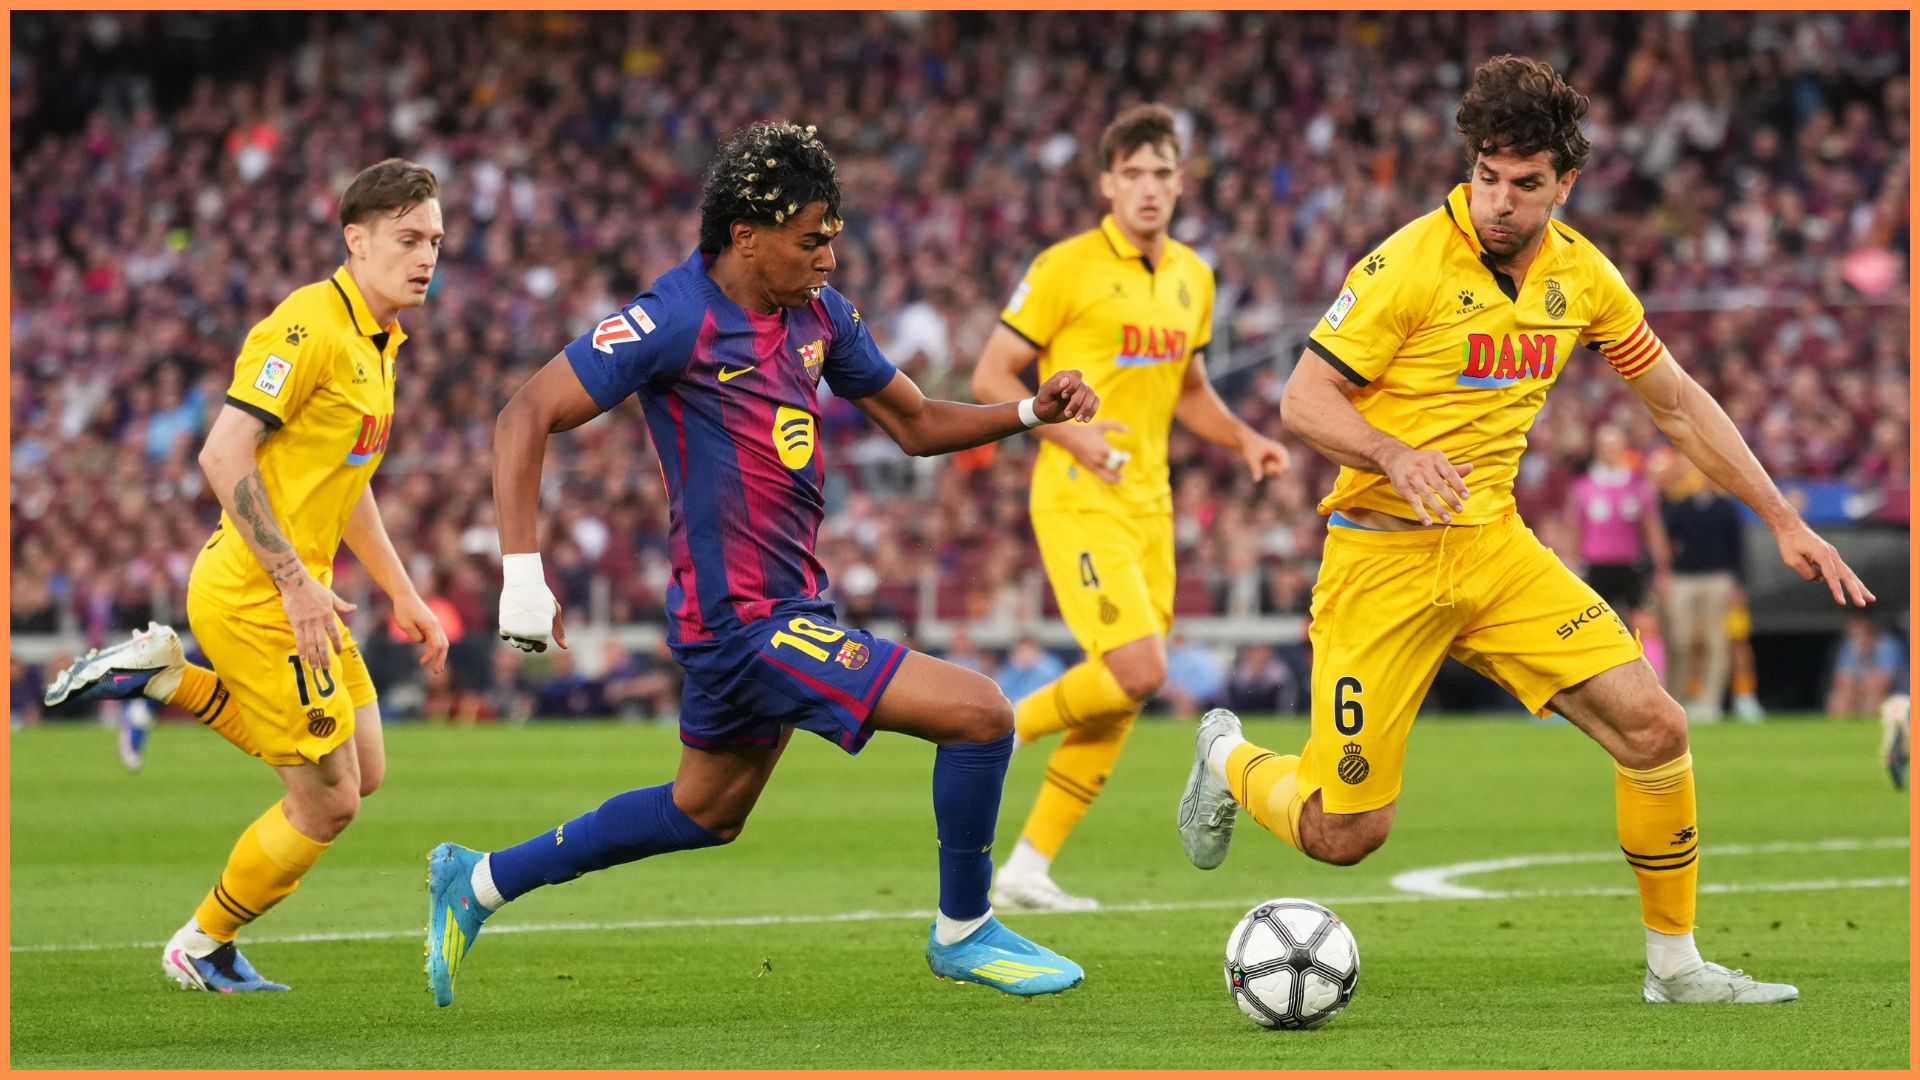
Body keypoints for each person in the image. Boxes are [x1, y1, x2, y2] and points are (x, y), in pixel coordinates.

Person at [1176, 56, 1873, 1006]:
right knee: (1346, 834)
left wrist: (1783, 517)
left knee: (1656, 725)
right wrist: (1390, 451)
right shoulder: (1406, 264)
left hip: (1495, 550)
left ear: (1565, 184)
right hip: (1383, 560)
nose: (1500, 201)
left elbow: (1673, 402)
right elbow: (1304, 396)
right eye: (1487, 177)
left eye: (1525, 184)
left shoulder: (1580, 276)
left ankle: (1676, 967)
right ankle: (1226, 755)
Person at [423, 122, 1099, 1007]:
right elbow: (525, 412)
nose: (827, 256)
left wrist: (1027, 412)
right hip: (742, 624)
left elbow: (918, 423)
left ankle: (477, 882)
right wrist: (523, 572)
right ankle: (965, 931)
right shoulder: (673, 319)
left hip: (779, 612)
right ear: (748, 235)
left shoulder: (821, 316)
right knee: (979, 714)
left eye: (833, 237)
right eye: (811, 238)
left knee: (703, 813)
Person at [40, 159, 451, 991]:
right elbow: (221, 452)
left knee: (365, 771)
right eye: (407, 239)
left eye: (435, 241)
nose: (426, 257)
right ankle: (200, 944)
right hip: (260, 597)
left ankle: (169, 681)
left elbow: (350, 480)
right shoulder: (308, 326)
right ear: (356, 240)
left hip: (300, 591)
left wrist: (402, 591)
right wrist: (297, 582)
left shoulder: (380, 341)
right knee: (328, 804)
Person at [969, 104, 1290, 911]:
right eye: (1135, 174)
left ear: (1180, 184)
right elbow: (990, 376)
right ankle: (994, 727)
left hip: (1152, 505)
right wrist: (1069, 439)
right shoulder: (1064, 266)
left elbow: (1190, 392)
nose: (1150, 189)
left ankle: (1028, 867)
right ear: (1108, 183)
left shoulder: (1193, 276)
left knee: (1128, 683)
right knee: (1138, 668)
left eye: (1163, 174)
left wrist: (1245, 440)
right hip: (1080, 496)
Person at [1567, 424, 1671, 680]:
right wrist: (1570, 565)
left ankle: (1654, 687)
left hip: (1631, 565)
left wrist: (1662, 569)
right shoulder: (1583, 488)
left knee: (1646, 626)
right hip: (1595, 565)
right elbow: (1572, 530)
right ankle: (1584, 689)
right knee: (1588, 631)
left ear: (1623, 449)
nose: (1610, 451)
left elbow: (1653, 530)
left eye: (1615, 446)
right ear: (1598, 450)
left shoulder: (1637, 486)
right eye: (1605, 446)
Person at [1650, 451, 1747, 722]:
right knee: (1679, 639)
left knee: (1716, 641)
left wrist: (1738, 583)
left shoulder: (1726, 507)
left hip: (1718, 578)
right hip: (1684, 578)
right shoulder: (1681, 506)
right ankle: (1676, 699)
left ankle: (1710, 702)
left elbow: (1737, 549)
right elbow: (1665, 537)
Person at [1826, 614, 1907, 719]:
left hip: (1897, 695)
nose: (1859, 638)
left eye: (1862, 632)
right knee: (1839, 701)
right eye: (1854, 634)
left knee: (1873, 701)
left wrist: (1857, 690)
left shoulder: (1889, 646)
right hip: (1862, 690)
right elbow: (1842, 681)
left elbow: (1882, 684)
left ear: (1871, 630)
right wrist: (1852, 694)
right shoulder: (1849, 647)